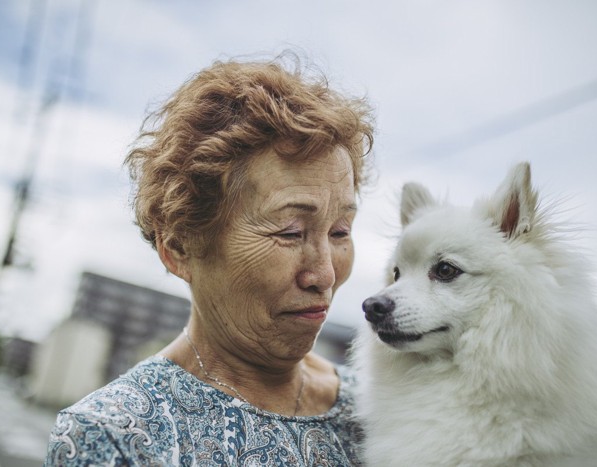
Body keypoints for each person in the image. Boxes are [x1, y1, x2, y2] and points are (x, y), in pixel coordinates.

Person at [44, 51, 375, 466]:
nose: (324, 273)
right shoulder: (116, 436)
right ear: (180, 248)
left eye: (340, 231)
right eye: (290, 232)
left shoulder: (385, 410)